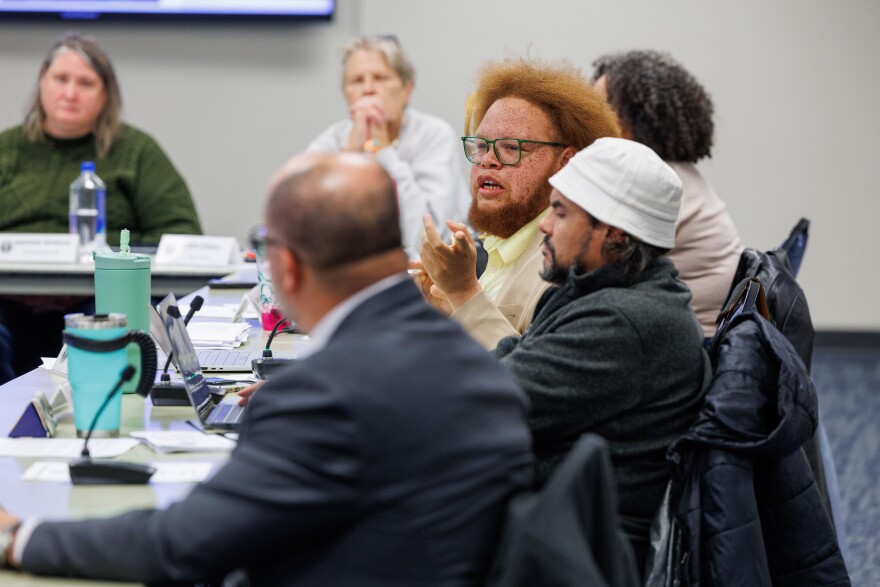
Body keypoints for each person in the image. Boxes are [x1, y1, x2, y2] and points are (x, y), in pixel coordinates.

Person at [0, 153, 533, 586]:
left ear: (288, 268)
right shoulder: (479, 361)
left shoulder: (324, 395)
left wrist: (19, 538)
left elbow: (180, 547)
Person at [494, 138, 710, 569]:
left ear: (613, 233)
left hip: (569, 545)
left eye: (560, 213)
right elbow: (512, 356)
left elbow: (492, 404)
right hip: (550, 517)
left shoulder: (626, 322)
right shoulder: (600, 287)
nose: (544, 226)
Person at [0, 32, 203, 384]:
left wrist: (94, 272)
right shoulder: (7, 149)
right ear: (41, 85)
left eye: (85, 83)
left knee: (116, 323)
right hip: (8, 297)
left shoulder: (136, 151)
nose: (70, 93)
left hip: (103, 295)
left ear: (106, 94)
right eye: (60, 79)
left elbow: (181, 234)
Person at [414, 56, 621, 349]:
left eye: (511, 148)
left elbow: (531, 378)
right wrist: (443, 312)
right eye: (482, 146)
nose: (487, 161)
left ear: (567, 164)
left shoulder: (571, 263)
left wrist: (464, 293)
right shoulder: (494, 245)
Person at [591, 50, 743, 337]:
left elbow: (590, 270)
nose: (590, 122)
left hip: (690, 350)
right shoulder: (674, 174)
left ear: (639, 119)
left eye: (602, 110)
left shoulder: (656, 185)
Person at [307, 35, 469, 252]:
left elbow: (425, 240)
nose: (368, 89)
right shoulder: (332, 141)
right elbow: (307, 230)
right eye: (356, 81)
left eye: (380, 78)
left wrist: (382, 151)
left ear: (406, 90)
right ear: (346, 95)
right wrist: (350, 155)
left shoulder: (433, 135)